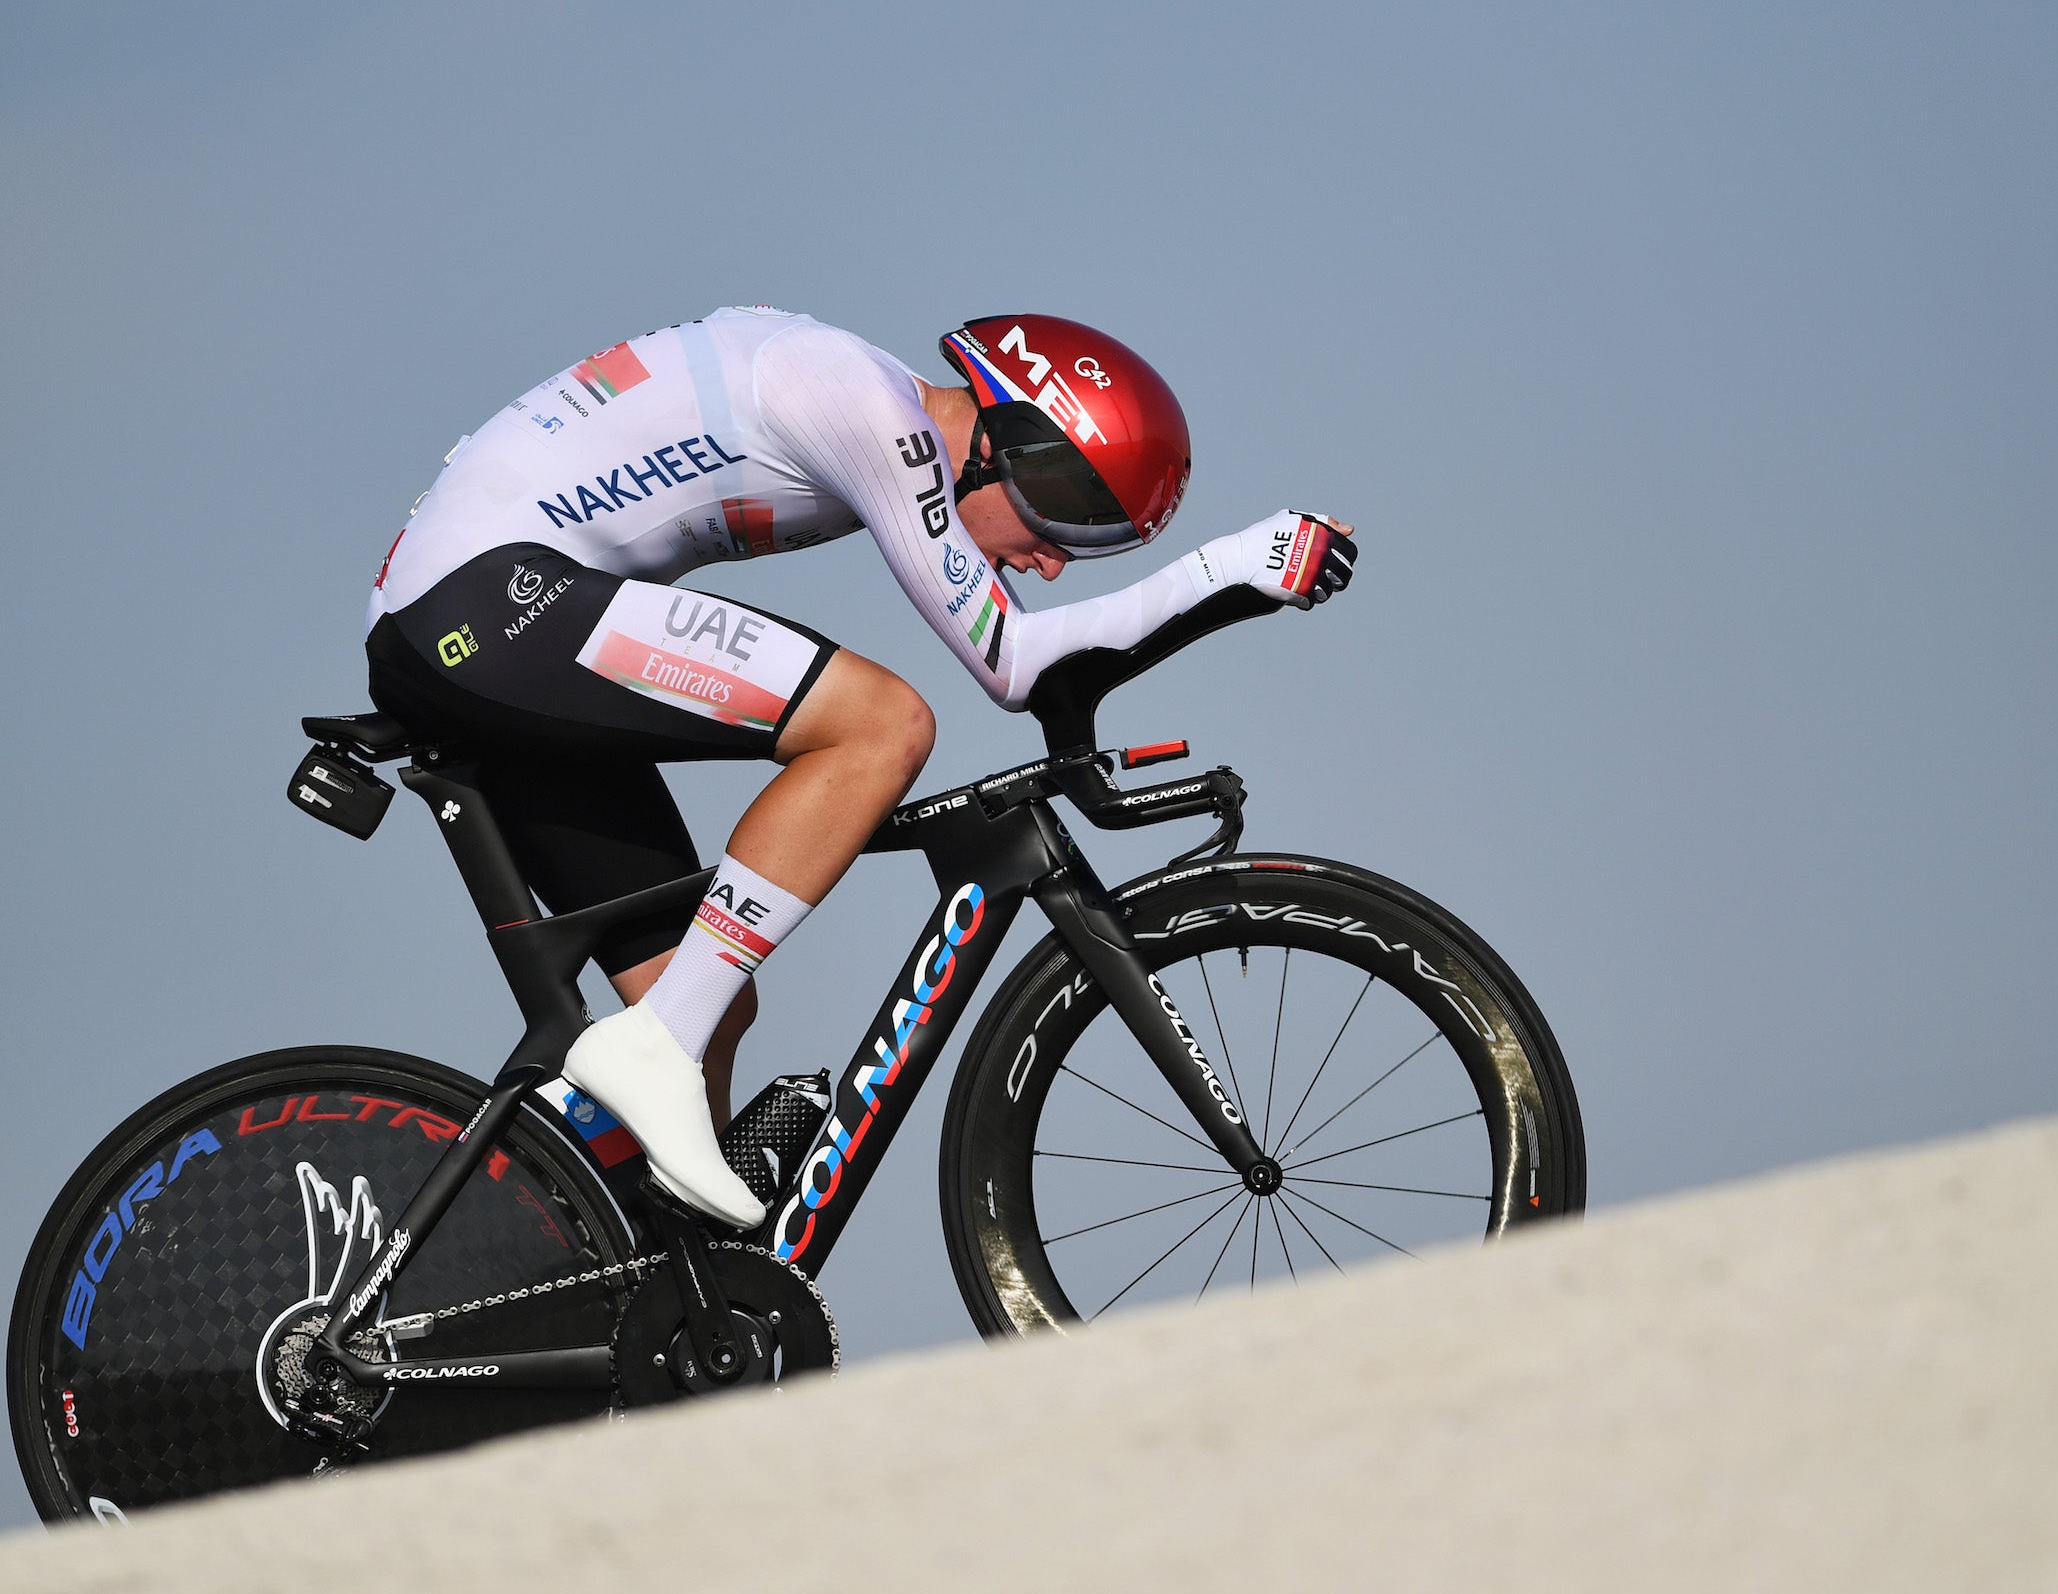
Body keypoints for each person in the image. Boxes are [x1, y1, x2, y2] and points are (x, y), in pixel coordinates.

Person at [362, 307, 1356, 1228]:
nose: (1055, 560)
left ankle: (624, 1297)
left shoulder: (867, 406)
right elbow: (1016, 663)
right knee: (881, 725)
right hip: (485, 607)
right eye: (1065, 517)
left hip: (495, 621)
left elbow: (1056, 672)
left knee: (707, 999)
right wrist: (1231, 567)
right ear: (1018, 450)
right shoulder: (862, 407)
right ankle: (648, 1050)